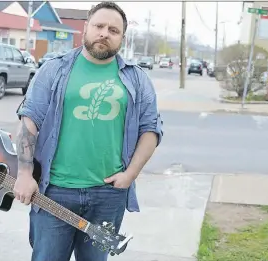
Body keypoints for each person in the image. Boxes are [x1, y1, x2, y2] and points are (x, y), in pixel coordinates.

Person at [14, 2, 163, 261]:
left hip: (107, 195)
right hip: (54, 191)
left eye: (113, 30)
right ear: (86, 28)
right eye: (99, 26)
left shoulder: (137, 78)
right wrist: (25, 174)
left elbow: (150, 130)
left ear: (122, 38)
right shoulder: (54, 69)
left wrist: (129, 175)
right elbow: (29, 122)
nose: (105, 33)